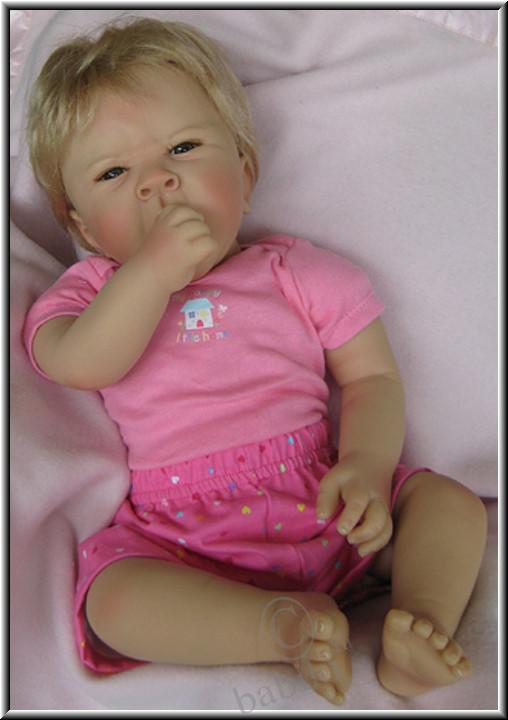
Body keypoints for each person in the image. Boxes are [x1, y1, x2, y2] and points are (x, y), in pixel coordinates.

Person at [22, 17, 487, 706]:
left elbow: (371, 376)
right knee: (110, 600)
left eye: (183, 148)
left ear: (243, 172)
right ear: (83, 227)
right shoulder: (89, 294)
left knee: (448, 504)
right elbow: (78, 363)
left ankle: (417, 626)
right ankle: (278, 627)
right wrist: (150, 274)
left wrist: (365, 465)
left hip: (325, 498)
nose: (158, 183)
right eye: (114, 173)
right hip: (181, 539)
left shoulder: (294, 271)